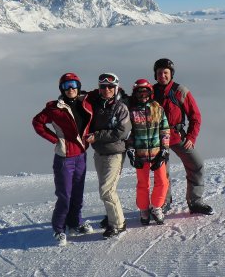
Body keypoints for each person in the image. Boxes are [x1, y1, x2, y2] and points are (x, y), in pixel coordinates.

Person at [32, 73, 94, 246]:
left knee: (78, 194)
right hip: (64, 158)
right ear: (62, 89)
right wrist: (55, 139)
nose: (71, 89)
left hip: (81, 155)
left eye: (74, 85)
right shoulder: (55, 108)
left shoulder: (85, 103)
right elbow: (37, 122)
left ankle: (75, 223)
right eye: (67, 86)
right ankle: (58, 229)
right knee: (65, 196)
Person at [153, 58, 214, 215]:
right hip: (157, 138)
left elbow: (195, 116)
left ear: (171, 74)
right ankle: (163, 202)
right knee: (161, 172)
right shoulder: (150, 92)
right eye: (159, 73)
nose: (162, 76)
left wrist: (191, 137)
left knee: (196, 165)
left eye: (166, 72)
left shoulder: (180, 91)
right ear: (155, 75)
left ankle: (195, 201)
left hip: (177, 136)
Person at [85, 72, 132, 238]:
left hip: (115, 153)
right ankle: (112, 217)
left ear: (116, 87)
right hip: (99, 153)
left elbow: (121, 131)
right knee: (105, 189)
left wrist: (97, 136)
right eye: (103, 86)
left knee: (107, 190)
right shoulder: (97, 105)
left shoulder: (121, 107)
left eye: (110, 87)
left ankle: (118, 224)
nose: (107, 90)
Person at [126, 79, 170, 225]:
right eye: (139, 93)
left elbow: (164, 130)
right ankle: (144, 209)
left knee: (163, 181)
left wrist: (164, 149)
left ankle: (156, 207)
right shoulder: (132, 112)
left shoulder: (158, 109)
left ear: (150, 93)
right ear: (135, 94)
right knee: (143, 183)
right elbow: (129, 134)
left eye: (145, 92)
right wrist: (131, 151)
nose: (143, 96)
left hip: (157, 152)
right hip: (141, 154)